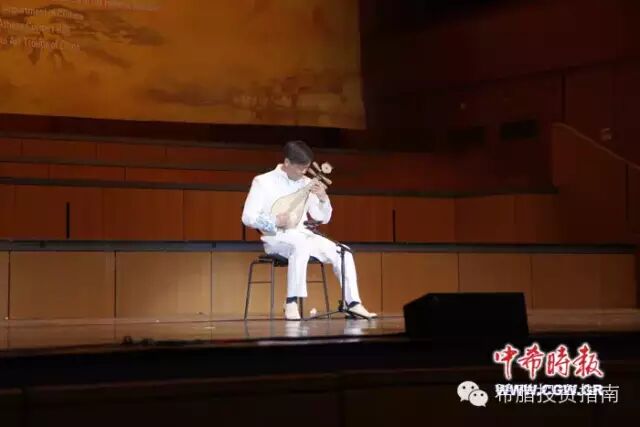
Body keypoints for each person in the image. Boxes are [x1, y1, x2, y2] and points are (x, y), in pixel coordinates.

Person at [241, 140, 377, 320]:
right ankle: (291, 302)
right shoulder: (263, 182)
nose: (304, 172)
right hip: (275, 238)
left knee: (343, 252)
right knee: (300, 245)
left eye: (306, 168)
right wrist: (275, 220)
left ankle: (352, 303)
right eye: (300, 168)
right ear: (287, 162)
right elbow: (248, 217)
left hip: (304, 235)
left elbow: (322, 218)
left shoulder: (307, 184)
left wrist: (323, 198)